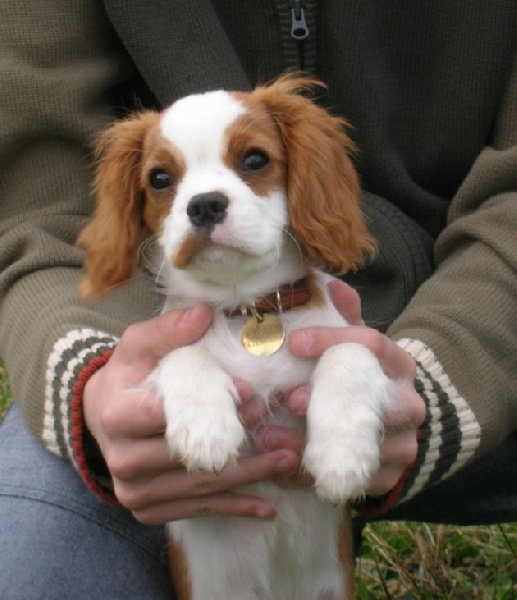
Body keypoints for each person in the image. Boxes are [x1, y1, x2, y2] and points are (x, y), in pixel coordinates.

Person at [0, 0, 515, 597]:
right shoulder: (175, 350)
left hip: (475, 343)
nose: (204, 199)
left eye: (252, 162)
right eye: (163, 181)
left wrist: (400, 389)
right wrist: (98, 384)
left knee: (347, 360)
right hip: (164, 470)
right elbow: (38, 215)